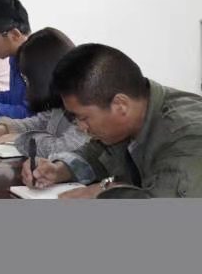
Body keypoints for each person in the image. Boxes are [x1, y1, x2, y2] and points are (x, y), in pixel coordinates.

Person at [23, 43, 202, 198]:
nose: (81, 127)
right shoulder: (130, 117)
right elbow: (97, 153)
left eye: (83, 118)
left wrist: (106, 191)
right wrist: (59, 170)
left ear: (120, 105)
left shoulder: (189, 136)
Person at [0, 27, 88, 158]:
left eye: (28, 79)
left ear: (44, 74)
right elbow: (44, 120)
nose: (28, 86)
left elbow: (64, 148)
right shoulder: (61, 97)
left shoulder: (85, 102)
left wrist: (20, 139)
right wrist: (5, 129)